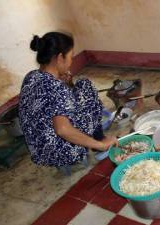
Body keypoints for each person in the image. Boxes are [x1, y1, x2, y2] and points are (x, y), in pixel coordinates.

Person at [18, 32, 118, 174]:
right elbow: (63, 130)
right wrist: (100, 145)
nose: (71, 61)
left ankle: (97, 140)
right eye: (70, 57)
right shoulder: (56, 88)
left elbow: (50, 103)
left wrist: (66, 83)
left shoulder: (32, 76)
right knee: (88, 93)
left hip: (38, 148)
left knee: (83, 84)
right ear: (60, 58)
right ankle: (99, 141)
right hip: (61, 152)